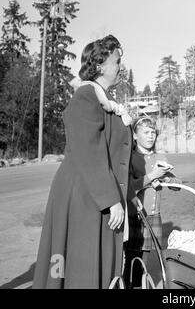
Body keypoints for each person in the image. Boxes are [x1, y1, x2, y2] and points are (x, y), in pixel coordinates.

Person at [33, 35, 134, 289]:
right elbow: (90, 150)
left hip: (94, 194)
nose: (121, 67)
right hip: (84, 195)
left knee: (91, 264)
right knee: (80, 266)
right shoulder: (86, 96)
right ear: (100, 65)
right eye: (117, 61)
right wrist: (112, 200)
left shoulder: (104, 102)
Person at [124, 116, 179, 288]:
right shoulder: (130, 158)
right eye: (146, 132)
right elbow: (128, 187)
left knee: (145, 260)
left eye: (153, 132)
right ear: (134, 136)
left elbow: (176, 185)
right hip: (135, 215)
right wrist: (152, 177)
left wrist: (169, 180)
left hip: (153, 215)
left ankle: (140, 285)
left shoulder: (160, 157)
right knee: (132, 261)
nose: (150, 136)